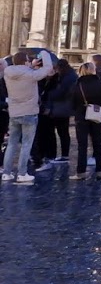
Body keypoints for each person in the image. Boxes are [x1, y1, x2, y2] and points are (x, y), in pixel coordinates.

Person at [2, 51, 52, 184]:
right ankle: (22, 173)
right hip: (29, 112)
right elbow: (47, 69)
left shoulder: (8, 72)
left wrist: (29, 65)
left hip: (14, 113)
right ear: (25, 62)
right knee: (26, 144)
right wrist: (44, 54)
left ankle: (6, 173)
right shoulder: (31, 75)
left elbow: (21, 71)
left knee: (12, 144)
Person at [72, 60, 101, 180]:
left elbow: (72, 101)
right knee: (98, 144)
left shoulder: (77, 84)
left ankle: (80, 172)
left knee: (82, 146)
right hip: (97, 116)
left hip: (81, 117)